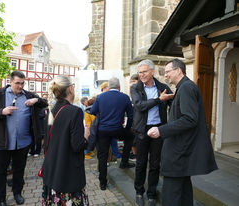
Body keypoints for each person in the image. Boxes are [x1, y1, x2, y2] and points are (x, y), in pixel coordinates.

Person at [148, 59, 218, 206]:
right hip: (181, 152)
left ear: (178, 70)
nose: (165, 76)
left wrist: (161, 130)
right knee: (184, 193)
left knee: (171, 196)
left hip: (179, 152)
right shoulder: (184, 87)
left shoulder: (186, 87)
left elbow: (189, 119)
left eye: (168, 72)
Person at [0, 70, 48, 206]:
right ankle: (0, 199)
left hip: (23, 143)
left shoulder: (28, 95)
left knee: (19, 170)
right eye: (17, 83)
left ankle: (17, 193)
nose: (20, 86)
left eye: (22, 83)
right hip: (2, 143)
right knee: (0, 172)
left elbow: (45, 103)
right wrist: (2, 111)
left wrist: (37, 99)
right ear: (10, 81)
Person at [130, 59, 173, 206]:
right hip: (142, 130)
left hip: (159, 129)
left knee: (155, 164)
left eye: (144, 72)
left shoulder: (163, 87)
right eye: (140, 72)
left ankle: (152, 194)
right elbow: (140, 106)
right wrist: (158, 100)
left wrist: (171, 126)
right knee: (141, 163)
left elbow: (173, 104)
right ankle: (139, 192)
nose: (141, 75)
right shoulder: (135, 88)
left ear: (152, 72)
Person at [42, 75, 90, 206]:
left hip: (52, 172)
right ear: (70, 89)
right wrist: (86, 136)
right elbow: (77, 145)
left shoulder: (52, 110)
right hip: (68, 176)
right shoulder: (75, 112)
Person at [90, 77, 134, 190]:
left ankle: (102, 183)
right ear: (119, 87)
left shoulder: (100, 97)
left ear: (109, 87)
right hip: (117, 129)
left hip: (103, 130)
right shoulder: (124, 97)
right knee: (130, 137)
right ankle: (124, 162)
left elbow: (93, 111)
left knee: (102, 156)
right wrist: (128, 128)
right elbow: (131, 115)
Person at [101, 81, 122, 161]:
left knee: (112, 143)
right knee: (112, 143)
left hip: (105, 125)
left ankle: (112, 158)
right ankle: (115, 158)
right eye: (108, 87)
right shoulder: (103, 97)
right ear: (105, 88)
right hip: (110, 124)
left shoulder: (101, 97)